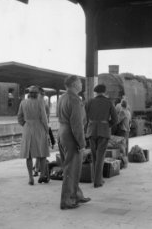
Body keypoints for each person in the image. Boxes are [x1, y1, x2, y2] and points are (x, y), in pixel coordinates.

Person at [57, 75, 91, 210]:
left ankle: (77, 195)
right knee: (71, 169)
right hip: (71, 135)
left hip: (62, 132)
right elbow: (77, 124)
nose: (81, 84)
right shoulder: (74, 99)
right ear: (74, 84)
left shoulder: (62, 97)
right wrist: (82, 144)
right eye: (79, 82)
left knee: (71, 168)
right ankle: (67, 201)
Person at [85, 84, 118, 188]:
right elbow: (115, 119)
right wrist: (108, 125)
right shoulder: (109, 102)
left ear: (96, 92)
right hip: (103, 131)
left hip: (91, 131)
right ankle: (98, 181)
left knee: (94, 156)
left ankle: (96, 178)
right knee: (100, 156)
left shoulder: (89, 102)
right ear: (104, 92)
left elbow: (85, 118)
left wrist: (88, 127)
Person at [17, 85, 50, 185]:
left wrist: (26, 124)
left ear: (29, 94)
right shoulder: (41, 102)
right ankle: (41, 176)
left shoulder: (23, 102)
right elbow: (44, 118)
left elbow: (19, 117)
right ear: (36, 94)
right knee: (42, 153)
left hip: (27, 128)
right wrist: (47, 131)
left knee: (29, 154)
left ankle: (31, 178)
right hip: (39, 128)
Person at [33, 87, 55, 177]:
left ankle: (36, 168)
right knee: (41, 152)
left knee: (39, 151)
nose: (42, 96)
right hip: (42, 130)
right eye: (42, 94)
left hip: (35, 129)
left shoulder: (34, 104)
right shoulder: (43, 104)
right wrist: (48, 133)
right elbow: (46, 120)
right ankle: (39, 170)